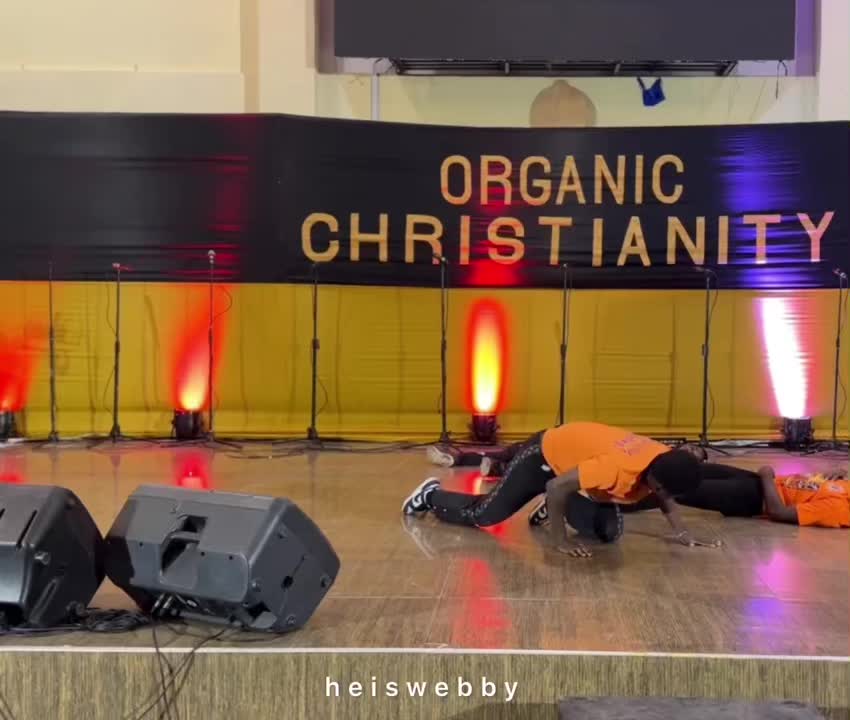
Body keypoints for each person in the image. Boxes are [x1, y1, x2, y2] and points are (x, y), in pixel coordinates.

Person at [403, 422, 717, 558]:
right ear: (656, 483)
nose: (667, 499)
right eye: (665, 492)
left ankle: (552, 507)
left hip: (574, 464)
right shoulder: (616, 468)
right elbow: (556, 485)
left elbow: (665, 496)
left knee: (609, 531)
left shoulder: (664, 458)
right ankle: (430, 495)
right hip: (545, 456)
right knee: (486, 515)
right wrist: (559, 540)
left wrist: (682, 533)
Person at [622, 463, 849, 528]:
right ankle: (622, 480)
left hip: (754, 499)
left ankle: (619, 504)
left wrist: (766, 475)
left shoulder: (838, 509)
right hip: (759, 482)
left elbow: (778, 512)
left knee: (681, 489)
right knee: (694, 469)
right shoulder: (845, 486)